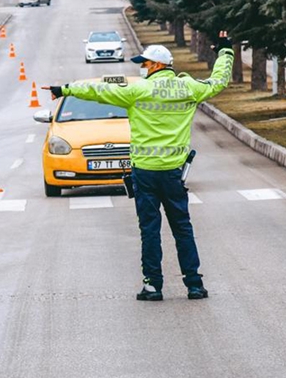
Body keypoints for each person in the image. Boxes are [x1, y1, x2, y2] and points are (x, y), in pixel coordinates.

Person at [44, 33, 234, 301]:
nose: (142, 68)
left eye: (145, 64)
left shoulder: (138, 91)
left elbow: (100, 91)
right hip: (173, 173)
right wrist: (225, 51)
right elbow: (219, 80)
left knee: (149, 229)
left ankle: (153, 286)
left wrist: (64, 89)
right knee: (182, 227)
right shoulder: (189, 88)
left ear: (156, 65)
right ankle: (194, 284)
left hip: (144, 173)